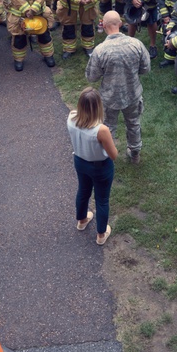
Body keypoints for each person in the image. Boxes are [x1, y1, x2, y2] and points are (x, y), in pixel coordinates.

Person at [86, 11, 151, 163]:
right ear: (120, 24)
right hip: (133, 94)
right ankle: (135, 153)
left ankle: (106, 156)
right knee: (133, 123)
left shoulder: (100, 50)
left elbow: (92, 76)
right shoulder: (136, 44)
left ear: (103, 24)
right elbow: (146, 68)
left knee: (108, 127)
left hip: (109, 97)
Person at [68, 87, 119, 245]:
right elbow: (114, 155)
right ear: (98, 106)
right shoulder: (101, 130)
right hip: (100, 167)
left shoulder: (71, 118)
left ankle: (82, 220)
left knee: (83, 190)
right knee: (102, 199)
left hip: (80, 161)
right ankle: (101, 235)